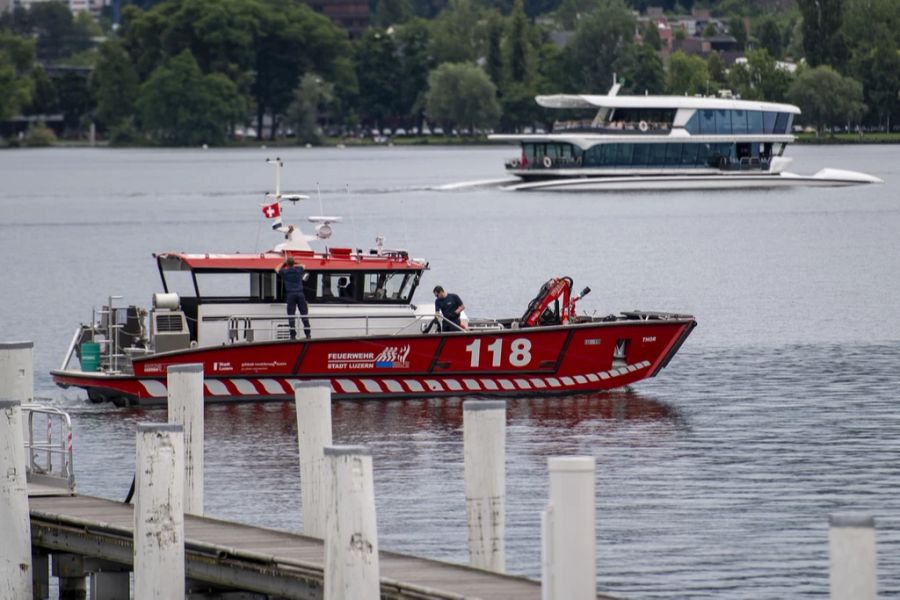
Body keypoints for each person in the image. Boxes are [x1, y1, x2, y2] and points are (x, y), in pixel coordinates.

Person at [276, 256, 311, 339]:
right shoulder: (298, 270)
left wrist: (283, 263)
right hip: (300, 294)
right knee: (304, 314)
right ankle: (308, 334)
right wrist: (296, 263)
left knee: (291, 315)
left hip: (291, 295)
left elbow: (276, 269)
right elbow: (304, 265)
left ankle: (293, 335)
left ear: (287, 264)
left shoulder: (285, 271)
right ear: (293, 263)